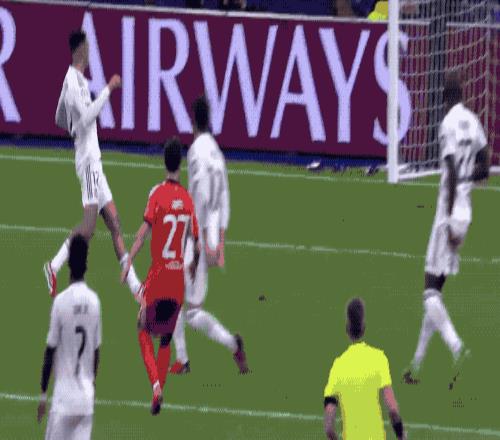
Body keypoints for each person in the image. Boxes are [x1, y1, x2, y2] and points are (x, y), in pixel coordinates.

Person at [403, 71, 489, 389]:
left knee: (428, 291)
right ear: (462, 93)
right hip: (466, 211)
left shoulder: (448, 124)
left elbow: (451, 170)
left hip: (449, 211)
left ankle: (457, 347)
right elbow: (484, 166)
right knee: (436, 291)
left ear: (444, 97)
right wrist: (467, 182)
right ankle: (416, 365)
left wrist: (448, 217)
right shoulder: (473, 121)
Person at [44, 30, 140, 298]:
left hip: (93, 161)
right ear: (79, 50)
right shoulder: (73, 81)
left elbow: (58, 116)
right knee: (88, 226)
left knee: (115, 223)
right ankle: (53, 266)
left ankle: (136, 286)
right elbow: (86, 118)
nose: (89, 52)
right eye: (86, 47)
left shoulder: (75, 80)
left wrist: (71, 126)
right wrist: (109, 89)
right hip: (88, 162)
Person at [169, 97, 249, 375]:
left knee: (185, 306)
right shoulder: (216, 151)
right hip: (212, 229)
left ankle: (194, 356)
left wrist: (197, 241)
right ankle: (188, 357)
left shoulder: (196, 152)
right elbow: (225, 198)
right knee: (183, 301)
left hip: (197, 231)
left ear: (193, 121)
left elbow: (201, 195)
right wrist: (220, 243)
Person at [121, 139, 200, 415]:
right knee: (166, 337)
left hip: (158, 276)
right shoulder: (187, 200)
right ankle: (160, 390)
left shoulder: (157, 194)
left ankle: (155, 386)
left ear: (164, 161)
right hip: (177, 281)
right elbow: (196, 244)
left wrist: (129, 261)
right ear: (181, 163)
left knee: (142, 326)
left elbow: (143, 234)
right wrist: (192, 267)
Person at [37, 235, 102, 440]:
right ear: (86, 264)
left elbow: (50, 351)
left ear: (69, 264)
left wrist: (43, 394)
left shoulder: (61, 302)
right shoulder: (94, 302)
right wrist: (91, 385)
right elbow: (96, 352)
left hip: (63, 401)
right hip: (85, 402)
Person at [323, 298, 405, 440]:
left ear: (347, 329)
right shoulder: (378, 358)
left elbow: (329, 428)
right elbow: (392, 409)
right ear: (363, 327)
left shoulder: (338, 366)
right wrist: (401, 435)